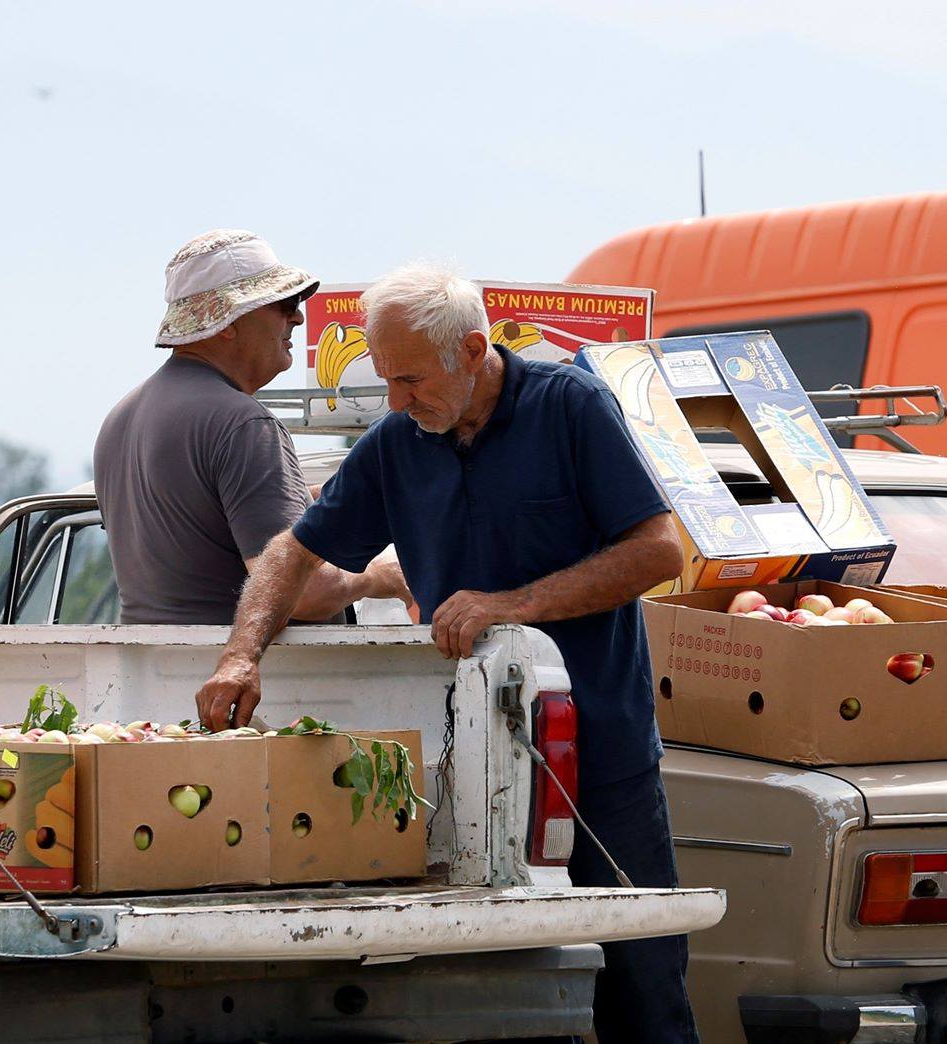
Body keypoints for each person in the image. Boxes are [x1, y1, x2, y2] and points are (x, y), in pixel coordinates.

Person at [193, 264, 697, 1042]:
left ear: (471, 349)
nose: (397, 401)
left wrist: (513, 605)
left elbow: (660, 552)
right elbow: (291, 554)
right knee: (500, 1002)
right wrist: (240, 654)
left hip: (603, 760)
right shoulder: (398, 443)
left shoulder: (570, 407)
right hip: (472, 774)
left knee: (643, 989)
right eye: (387, 380)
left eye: (411, 379)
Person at [94, 229, 406, 625]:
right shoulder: (243, 423)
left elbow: (204, 524)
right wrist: (380, 576)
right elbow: (301, 593)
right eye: (284, 303)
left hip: (154, 662)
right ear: (228, 320)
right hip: (246, 664)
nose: (298, 317)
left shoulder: (120, 419)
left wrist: (323, 496)